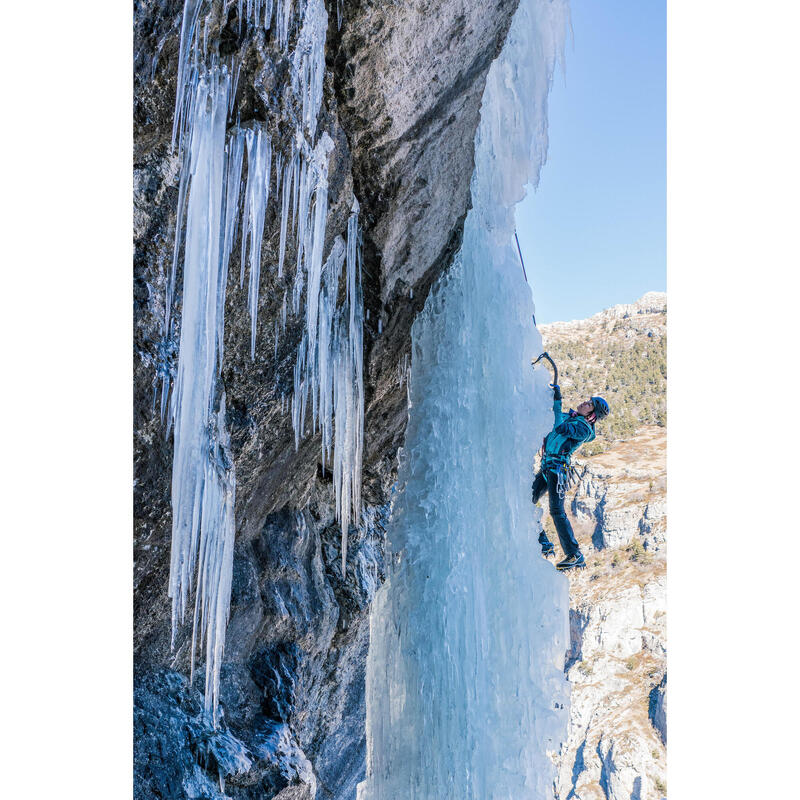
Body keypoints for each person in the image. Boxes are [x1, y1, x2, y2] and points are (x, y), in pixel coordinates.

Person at [532, 385, 610, 571]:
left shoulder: (583, 429)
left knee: (557, 511)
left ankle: (574, 554)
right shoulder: (573, 418)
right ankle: (543, 542)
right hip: (548, 467)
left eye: (590, 404)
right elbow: (551, 419)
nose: (585, 403)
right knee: (526, 501)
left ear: (593, 414)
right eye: (587, 401)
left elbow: (559, 428)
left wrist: (558, 402)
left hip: (557, 469)